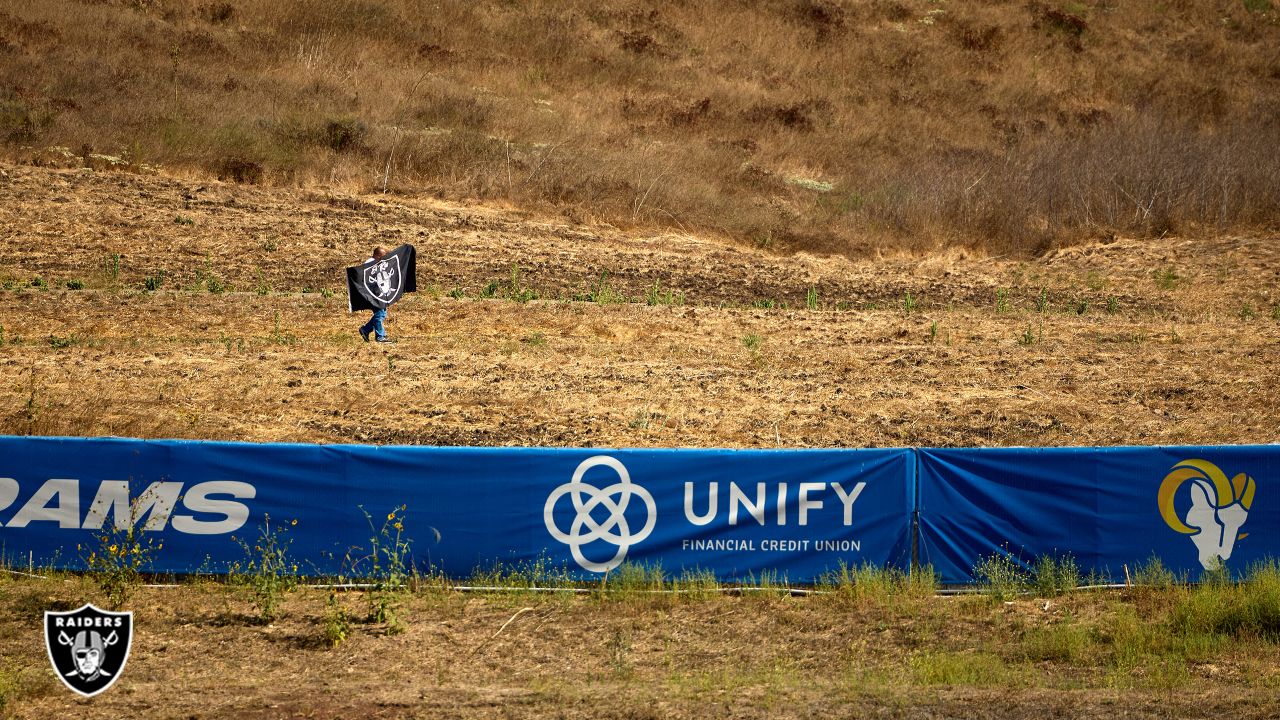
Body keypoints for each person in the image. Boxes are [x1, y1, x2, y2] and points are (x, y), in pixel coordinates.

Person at [359, 247, 393, 343]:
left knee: (382, 313)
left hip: (378, 293)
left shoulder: (377, 263)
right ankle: (380, 336)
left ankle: (365, 330)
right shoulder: (370, 263)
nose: (385, 257)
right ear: (378, 255)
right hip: (373, 295)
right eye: (383, 255)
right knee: (379, 314)